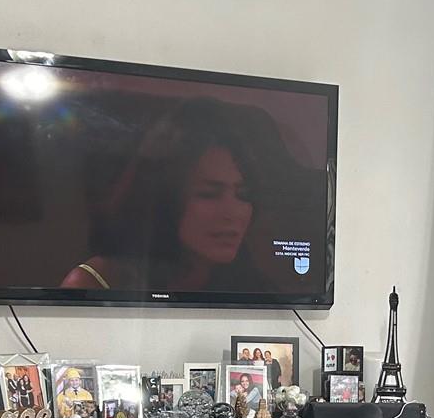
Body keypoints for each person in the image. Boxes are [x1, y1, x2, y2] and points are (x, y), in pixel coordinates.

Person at [62, 97, 313, 294]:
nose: (232, 213)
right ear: (165, 198)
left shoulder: (252, 287)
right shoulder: (96, 282)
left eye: (243, 194)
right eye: (209, 194)